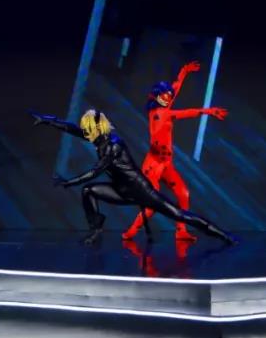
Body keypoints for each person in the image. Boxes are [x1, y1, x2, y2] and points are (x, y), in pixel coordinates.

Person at [32, 109, 235, 246]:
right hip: (121, 191)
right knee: (89, 191)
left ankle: (224, 236)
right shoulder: (97, 138)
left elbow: (95, 171)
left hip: (141, 191)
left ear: (97, 128)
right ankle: (96, 228)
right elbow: (72, 129)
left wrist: (68, 182)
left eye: (88, 129)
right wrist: (48, 121)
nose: (85, 132)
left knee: (180, 215)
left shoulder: (113, 145)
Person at [122, 61, 227, 242]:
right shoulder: (161, 113)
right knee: (152, 204)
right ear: (156, 96)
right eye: (164, 95)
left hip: (165, 163)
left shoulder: (164, 106)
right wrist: (209, 111)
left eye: (169, 96)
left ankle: (181, 231)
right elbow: (186, 113)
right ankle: (130, 232)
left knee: (183, 194)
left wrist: (184, 72)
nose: (168, 98)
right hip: (154, 164)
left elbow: (175, 89)